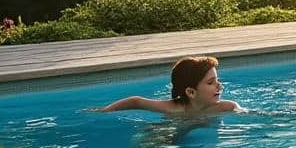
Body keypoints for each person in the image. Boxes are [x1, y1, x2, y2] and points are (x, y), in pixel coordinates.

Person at [98, 56, 240, 115]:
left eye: (217, 80)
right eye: (211, 82)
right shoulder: (173, 108)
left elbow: (243, 112)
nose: (219, 86)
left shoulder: (226, 107)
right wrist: (104, 111)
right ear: (191, 92)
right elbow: (136, 101)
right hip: (172, 130)